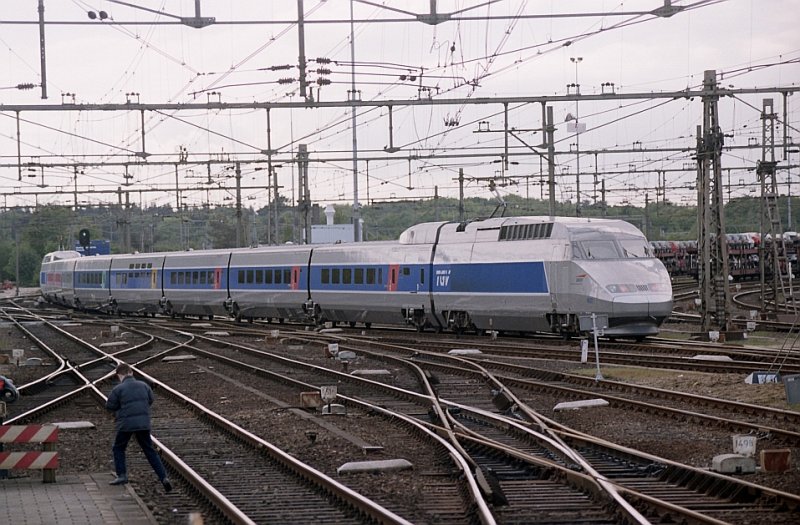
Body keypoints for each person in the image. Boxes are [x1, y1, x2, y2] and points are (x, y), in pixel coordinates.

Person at [105, 362, 172, 492]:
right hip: (143, 423)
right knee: (149, 450)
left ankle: (122, 475)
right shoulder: (144, 385)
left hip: (126, 424)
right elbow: (150, 400)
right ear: (131, 372)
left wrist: (121, 409)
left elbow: (110, 406)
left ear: (119, 375)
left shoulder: (118, 389)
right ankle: (163, 477)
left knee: (119, 448)